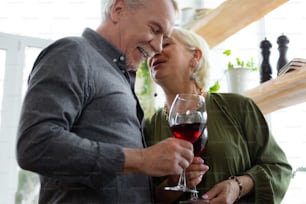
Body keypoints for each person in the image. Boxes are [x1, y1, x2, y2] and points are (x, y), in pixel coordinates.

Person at [16, 1, 197, 203]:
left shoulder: (121, 78)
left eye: (164, 37)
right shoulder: (72, 52)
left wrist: (169, 185)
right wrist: (143, 159)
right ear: (118, 10)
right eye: (155, 29)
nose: (158, 46)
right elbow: (34, 144)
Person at [145, 27, 292, 204]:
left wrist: (237, 186)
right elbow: (143, 195)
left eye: (166, 43)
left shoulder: (239, 107)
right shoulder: (149, 127)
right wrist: (173, 183)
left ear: (195, 57)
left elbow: (278, 169)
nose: (155, 50)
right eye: (151, 48)